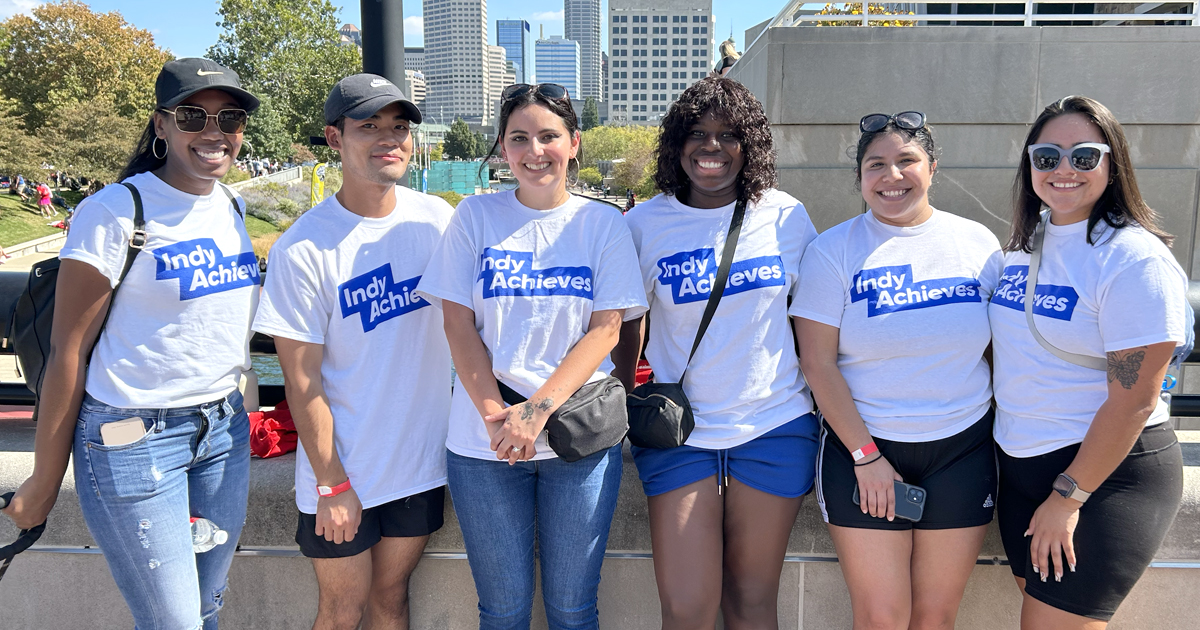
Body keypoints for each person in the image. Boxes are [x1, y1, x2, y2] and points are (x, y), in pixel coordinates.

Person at [1, 57, 260, 630]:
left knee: (204, 609)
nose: (214, 131)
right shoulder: (117, 211)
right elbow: (69, 350)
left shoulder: (232, 206)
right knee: (175, 623)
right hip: (133, 438)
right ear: (161, 125)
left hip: (222, 432)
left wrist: (246, 402)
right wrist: (46, 478)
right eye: (194, 115)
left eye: (231, 117)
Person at [416, 82, 647, 629]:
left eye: (548, 136)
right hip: (484, 446)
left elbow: (606, 330)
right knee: (502, 611)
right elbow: (458, 323)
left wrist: (534, 413)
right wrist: (499, 418)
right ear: (502, 147)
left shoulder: (603, 224)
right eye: (519, 138)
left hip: (579, 443)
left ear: (574, 143)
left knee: (573, 610)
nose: (534, 150)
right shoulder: (474, 218)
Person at [612, 77, 820, 629]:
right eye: (698, 134)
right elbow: (623, 328)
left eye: (729, 135)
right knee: (687, 607)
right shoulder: (642, 224)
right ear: (676, 144)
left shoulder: (786, 216)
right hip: (680, 433)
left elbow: (815, 325)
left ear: (749, 146)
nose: (712, 147)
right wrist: (626, 398)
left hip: (774, 425)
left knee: (751, 602)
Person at [252, 74, 453, 630]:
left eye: (399, 127)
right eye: (369, 126)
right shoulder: (303, 248)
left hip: (418, 464)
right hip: (343, 473)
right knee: (342, 612)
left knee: (391, 601)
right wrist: (332, 482)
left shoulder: (437, 218)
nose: (388, 139)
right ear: (335, 139)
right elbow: (301, 380)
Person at [792, 111, 1003, 630]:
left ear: (932, 167)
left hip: (962, 448)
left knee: (935, 617)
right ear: (860, 178)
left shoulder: (978, 245)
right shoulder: (832, 250)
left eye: (906, 161)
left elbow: (1004, 351)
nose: (891, 177)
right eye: (875, 165)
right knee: (882, 617)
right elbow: (817, 363)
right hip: (863, 449)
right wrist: (867, 457)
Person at [989, 95, 1187, 628]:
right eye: (1047, 156)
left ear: (1112, 162)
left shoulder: (1133, 258)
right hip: (1022, 467)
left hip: (1104, 473)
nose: (1064, 170)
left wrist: (1069, 496)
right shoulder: (1022, 246)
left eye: (1084, 156)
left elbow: (1135, 400)